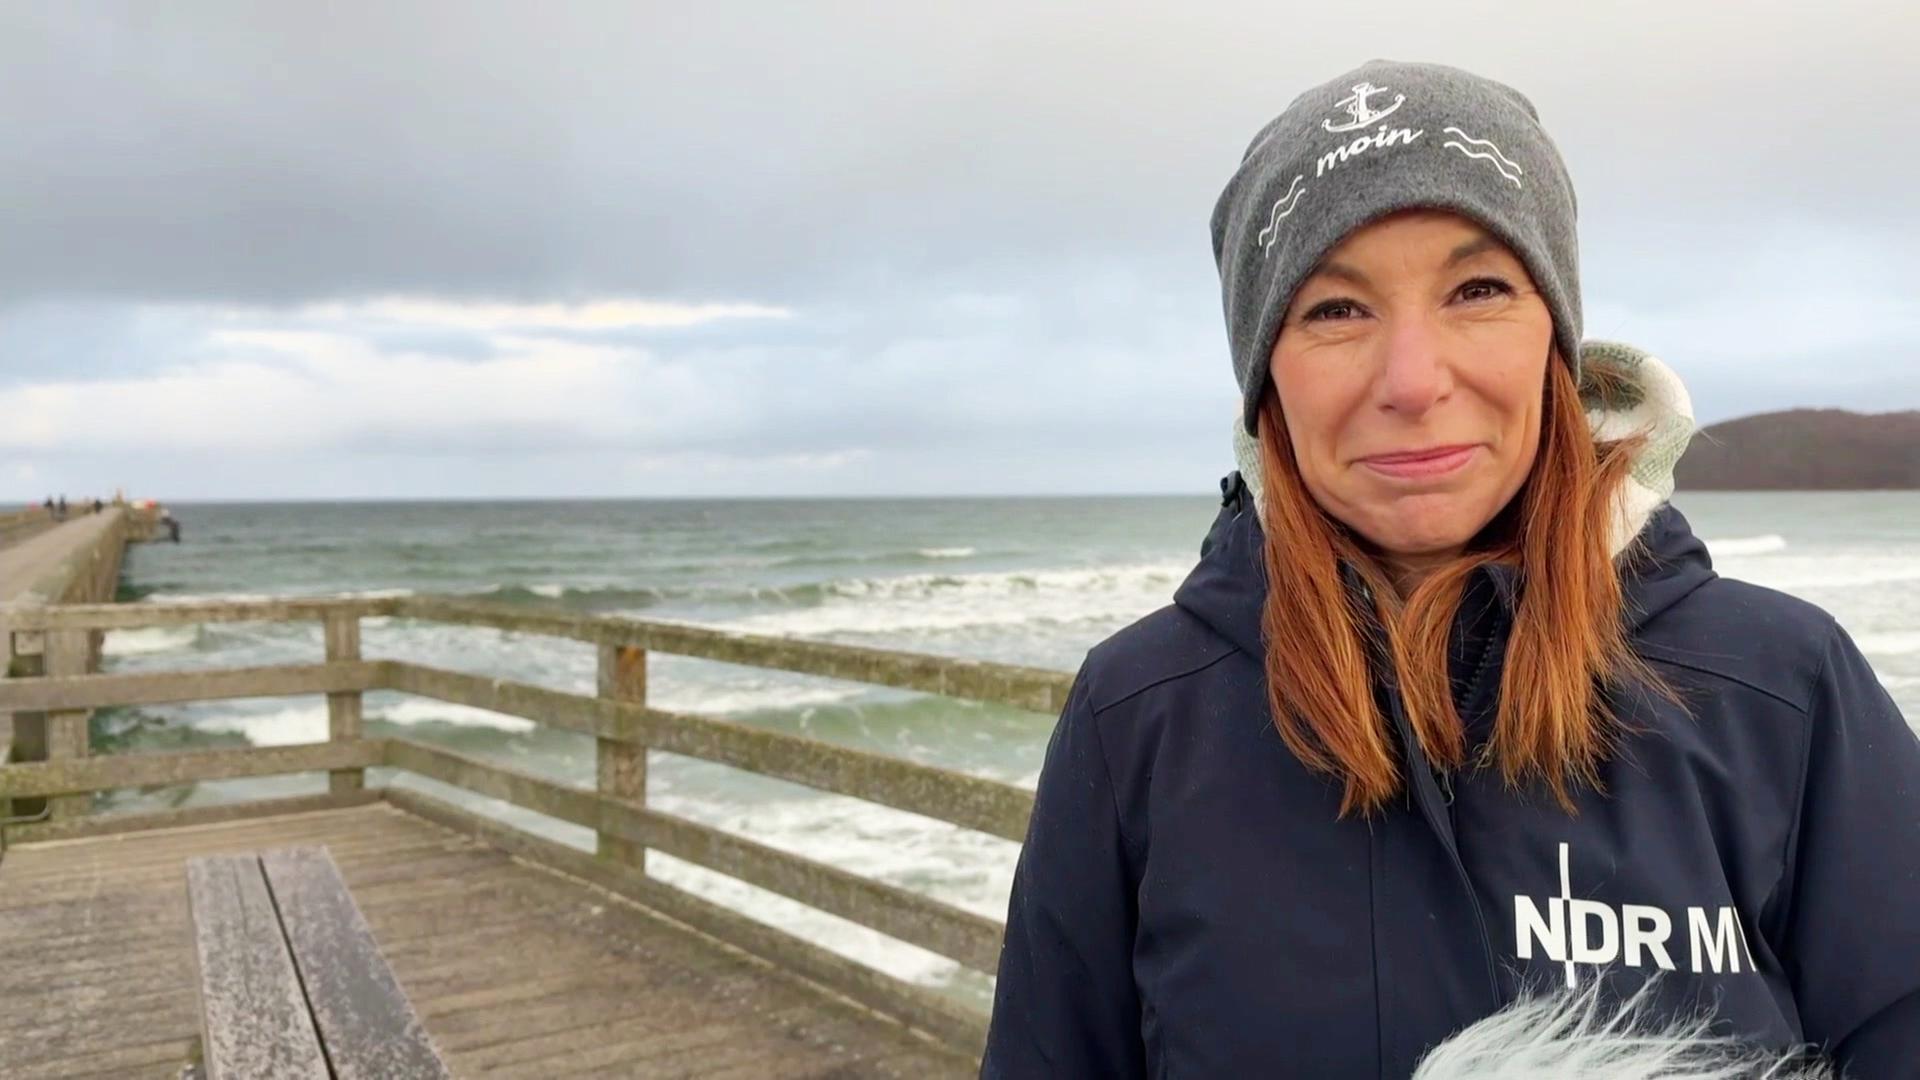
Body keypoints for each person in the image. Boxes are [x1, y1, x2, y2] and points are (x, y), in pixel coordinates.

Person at [982, 59, 1919, 1079]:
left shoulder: (1782, 687)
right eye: (1335, 310)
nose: (1415, 381)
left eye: (1478, 289)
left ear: (1556, 343)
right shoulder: (1138, 718)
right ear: (1265, 380)